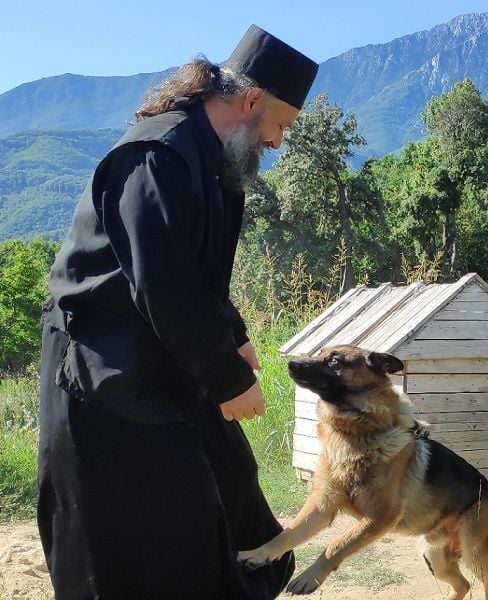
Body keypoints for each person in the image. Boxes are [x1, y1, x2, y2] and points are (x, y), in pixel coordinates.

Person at [37, 25, 318, 599]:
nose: (277, 143)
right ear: (251, 101)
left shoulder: (213, 163)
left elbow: (199, 274)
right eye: (281, 126)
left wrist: (232, 335)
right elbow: (162, 284)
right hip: (100, 375)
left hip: (161, 362)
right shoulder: (156, 155)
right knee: (141, 537)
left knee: (230, 493)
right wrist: (228, 379)